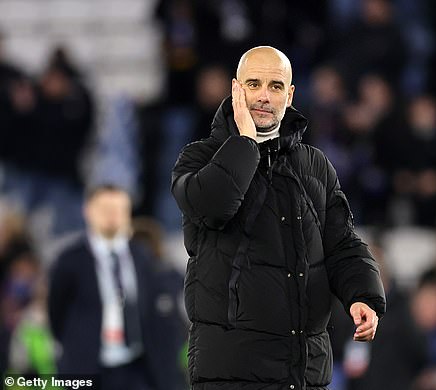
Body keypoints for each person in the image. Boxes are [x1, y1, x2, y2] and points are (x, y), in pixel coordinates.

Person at [171, 46, 386, 389]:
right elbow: (213, 207)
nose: (264, 96)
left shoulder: (314, 165)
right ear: (235, 89)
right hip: (232, 373)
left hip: (304, 371)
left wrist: (363, 295)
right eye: (253, 84)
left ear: (290, 94)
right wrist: (245, 142)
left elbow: (342, 243)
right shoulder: (198, 157)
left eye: (275, 86)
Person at [47, 185, 179, 390]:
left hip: (136, 366)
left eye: (119, 209)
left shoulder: (142, 255)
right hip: (89, 368)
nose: (112, 215)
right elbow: (56, 311)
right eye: (105, 208)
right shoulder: (70, 261)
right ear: (88, 211)